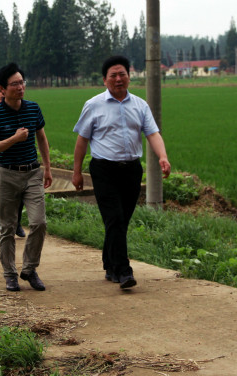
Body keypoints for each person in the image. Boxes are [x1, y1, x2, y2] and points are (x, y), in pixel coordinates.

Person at [72, 55, 171, 289]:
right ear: (105, 80)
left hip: (131, 170)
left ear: (129, 77)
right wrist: (77, 172)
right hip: (104, 169)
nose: (118, 79)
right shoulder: (93, 105)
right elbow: (82, 140)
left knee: (121, 220)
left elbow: (152, 133)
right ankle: (124, 271)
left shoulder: (140, 105)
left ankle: (110, 264)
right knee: (114, 218)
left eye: (122, 74)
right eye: (113, 75)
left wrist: (163, 156)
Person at [0, 63, 53, 292]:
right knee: (8, 228)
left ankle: (29, 269)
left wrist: (47, 167)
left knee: (39, 223)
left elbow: (41, 138)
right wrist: (13, 139)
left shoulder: (33, 108)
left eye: (22, 82)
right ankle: (10, 274)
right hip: (6, 174)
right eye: (15, 84)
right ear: (2, 89)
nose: (20, 87)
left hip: (32, 173)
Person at [0, 88, 26, 238]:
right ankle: (1, 223)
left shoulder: (19, 114)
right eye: (0, 99)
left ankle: (17, 223)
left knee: (21, 192)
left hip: (18, 159)